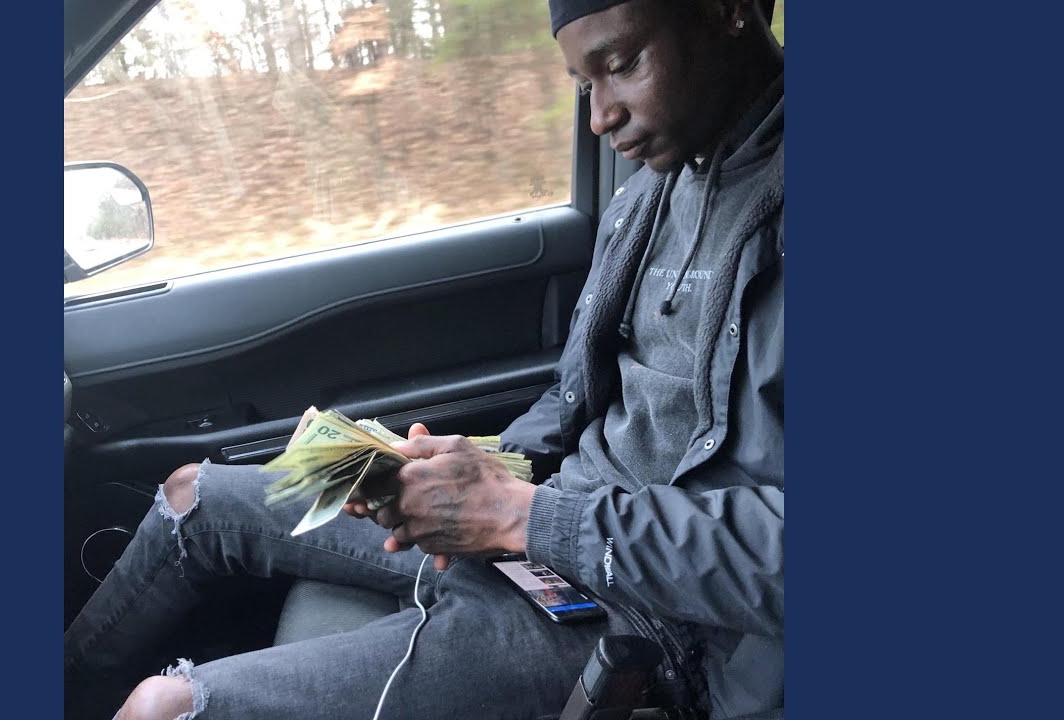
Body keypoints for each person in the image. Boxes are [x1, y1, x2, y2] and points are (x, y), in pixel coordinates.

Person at [65, 1, 784, 718]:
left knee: (164, 708)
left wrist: (521, 515)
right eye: (582, 84)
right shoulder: (650, 197)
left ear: (726, 10)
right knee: (192, 497)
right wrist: (473, 468)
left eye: (621, 65)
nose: (599, 117)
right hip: (551, 520)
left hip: (662, 619)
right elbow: (580, 398)